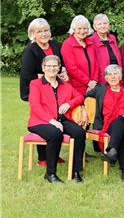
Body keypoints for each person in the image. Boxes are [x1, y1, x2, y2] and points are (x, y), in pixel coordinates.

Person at [27, 55, 86, 183]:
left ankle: (75, 171)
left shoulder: (65, 84)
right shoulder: (35, 84)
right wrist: (51, 121)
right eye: (49, 66)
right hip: (40, 121)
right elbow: (35, 106)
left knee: (80, 133)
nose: (52, 68)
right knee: (55, 134)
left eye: (55, 66)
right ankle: (50, 173)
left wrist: (69, 104)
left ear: (59, 68)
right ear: (43, 68)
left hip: (62, 120)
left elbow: (80, 97)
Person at [20, 18, 69, 166]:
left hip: (54, 87)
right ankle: (43, 158)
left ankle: (52, 155)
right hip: (36, 88)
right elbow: (26, 74)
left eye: (46, 30)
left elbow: (61, 63)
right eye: (39, 31)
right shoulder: (31, 50)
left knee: (54, 119)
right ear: (33, 34)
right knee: (42, 119)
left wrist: (63, 71)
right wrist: (44, 75)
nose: (43, 34)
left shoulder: (54, 44)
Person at [84, 65, 124, 182]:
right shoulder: (100, 89)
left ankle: (112, 150)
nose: (113, 77)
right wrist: (84, 110)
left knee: (119, 121)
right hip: (107, 123)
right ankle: (123, 168)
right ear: (106, 77)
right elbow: (83, 97)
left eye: (115, 74)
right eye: (109, 74)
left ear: (120, 76)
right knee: (118, 132)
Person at [61, 15, 99, 95]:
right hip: (77, 87)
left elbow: (96, 64)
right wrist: (88, 82)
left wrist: (94, 81)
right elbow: (71, 68)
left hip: (93, 86)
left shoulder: (90, 43)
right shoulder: (67, 44)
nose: (82, 31)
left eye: (85, 28)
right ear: (73, 29)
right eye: (79, 28)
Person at [89, 14, 122, 84]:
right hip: (102, 79)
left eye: (105, 23)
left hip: (117, 77)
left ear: (108, 25)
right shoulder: (91, 41)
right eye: (99, 24)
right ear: (94, 27)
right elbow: (93, 63)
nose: (102, 26)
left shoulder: (112, 38)